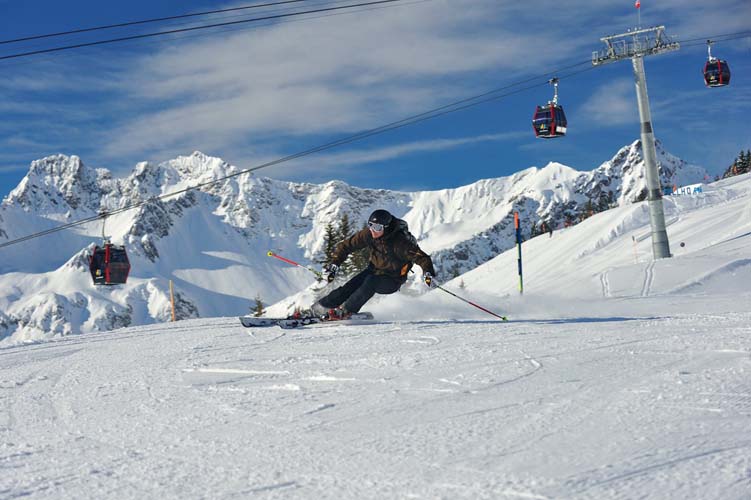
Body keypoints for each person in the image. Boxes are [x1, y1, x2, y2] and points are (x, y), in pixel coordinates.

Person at [312, 209, 436, 319]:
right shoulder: (369, 234)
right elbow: (346, 246)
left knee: (371, 282)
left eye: (377, 228)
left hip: (393, 279)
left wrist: (427, 272)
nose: (373, 230)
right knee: (351, 285)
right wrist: (335, 264)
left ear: (386, 227)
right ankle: (321, 307)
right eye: (371, 225)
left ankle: (347, 311)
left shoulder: (400, 242)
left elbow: (422, 258)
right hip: (373, 270)